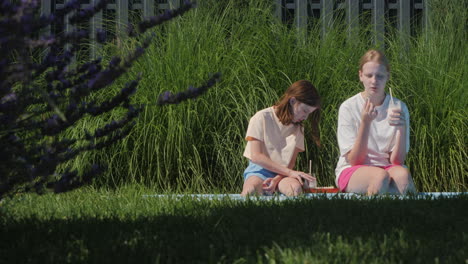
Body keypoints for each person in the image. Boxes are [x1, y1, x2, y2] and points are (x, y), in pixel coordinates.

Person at [335, 49, 416, 195]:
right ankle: (373, 215)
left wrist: (401, 128)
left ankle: (405, 216)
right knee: (380, 178)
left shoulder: (399, 108)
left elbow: (397, 162)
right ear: (360, 76)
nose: (374, 81)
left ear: (387, 77)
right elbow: (355, 161)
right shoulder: (348, 107)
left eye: (379, 76)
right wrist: (365, 123)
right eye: (369, 75)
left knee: (403, 176)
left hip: (387, 167)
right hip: (352, 169)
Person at [241, 80, 321, 196]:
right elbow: (256, 156)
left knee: (295, 190)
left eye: (309, 113)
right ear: (293, 101)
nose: (305, 117)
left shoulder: (299, 128)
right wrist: (289, 172)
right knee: (250, 191)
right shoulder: (261, 117)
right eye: (305, 111)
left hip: (283, 175)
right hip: (259, 171)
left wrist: (277, 179)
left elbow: (291, 163)